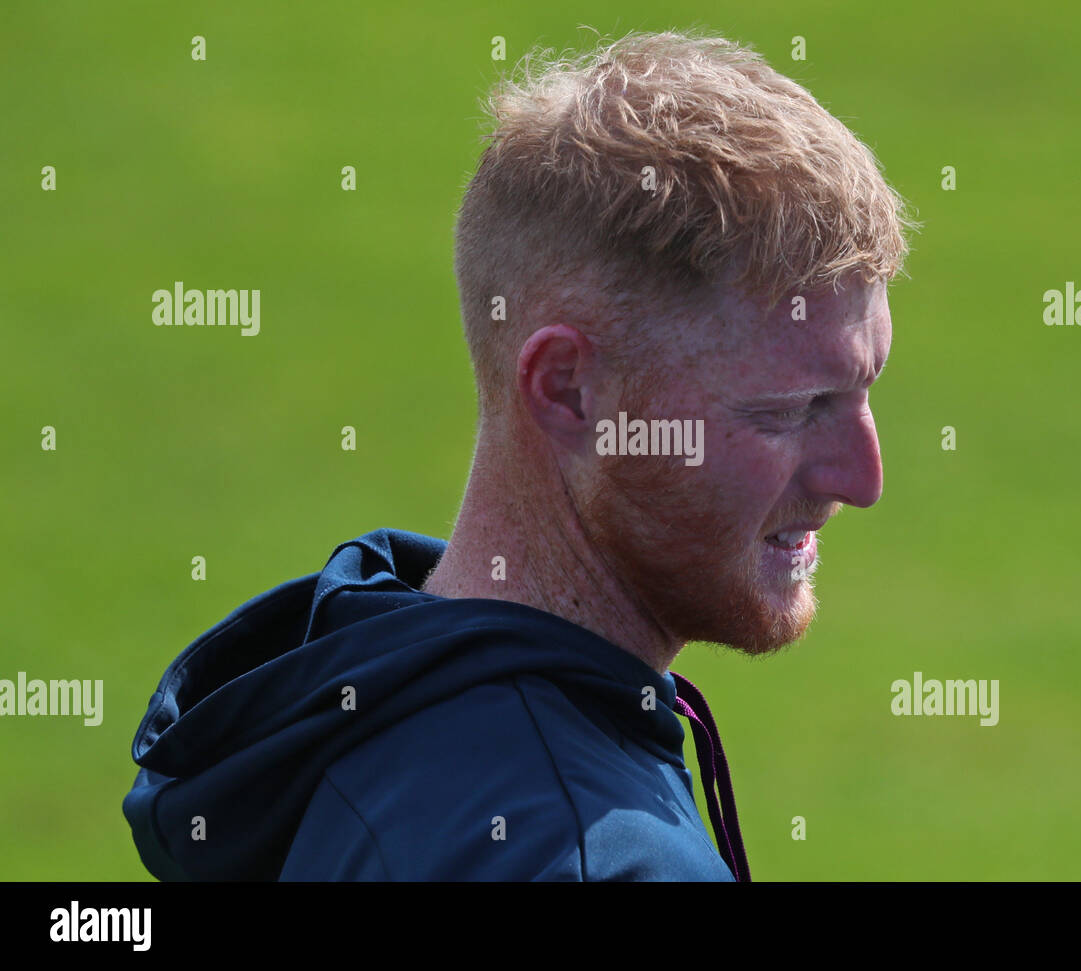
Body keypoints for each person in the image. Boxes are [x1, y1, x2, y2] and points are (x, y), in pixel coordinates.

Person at [123, 29, 910, 882]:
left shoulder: (359, 706)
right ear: (571, 390)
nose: (861, 479)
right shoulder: (586, 858)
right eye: (791, 411)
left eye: (864, 389)